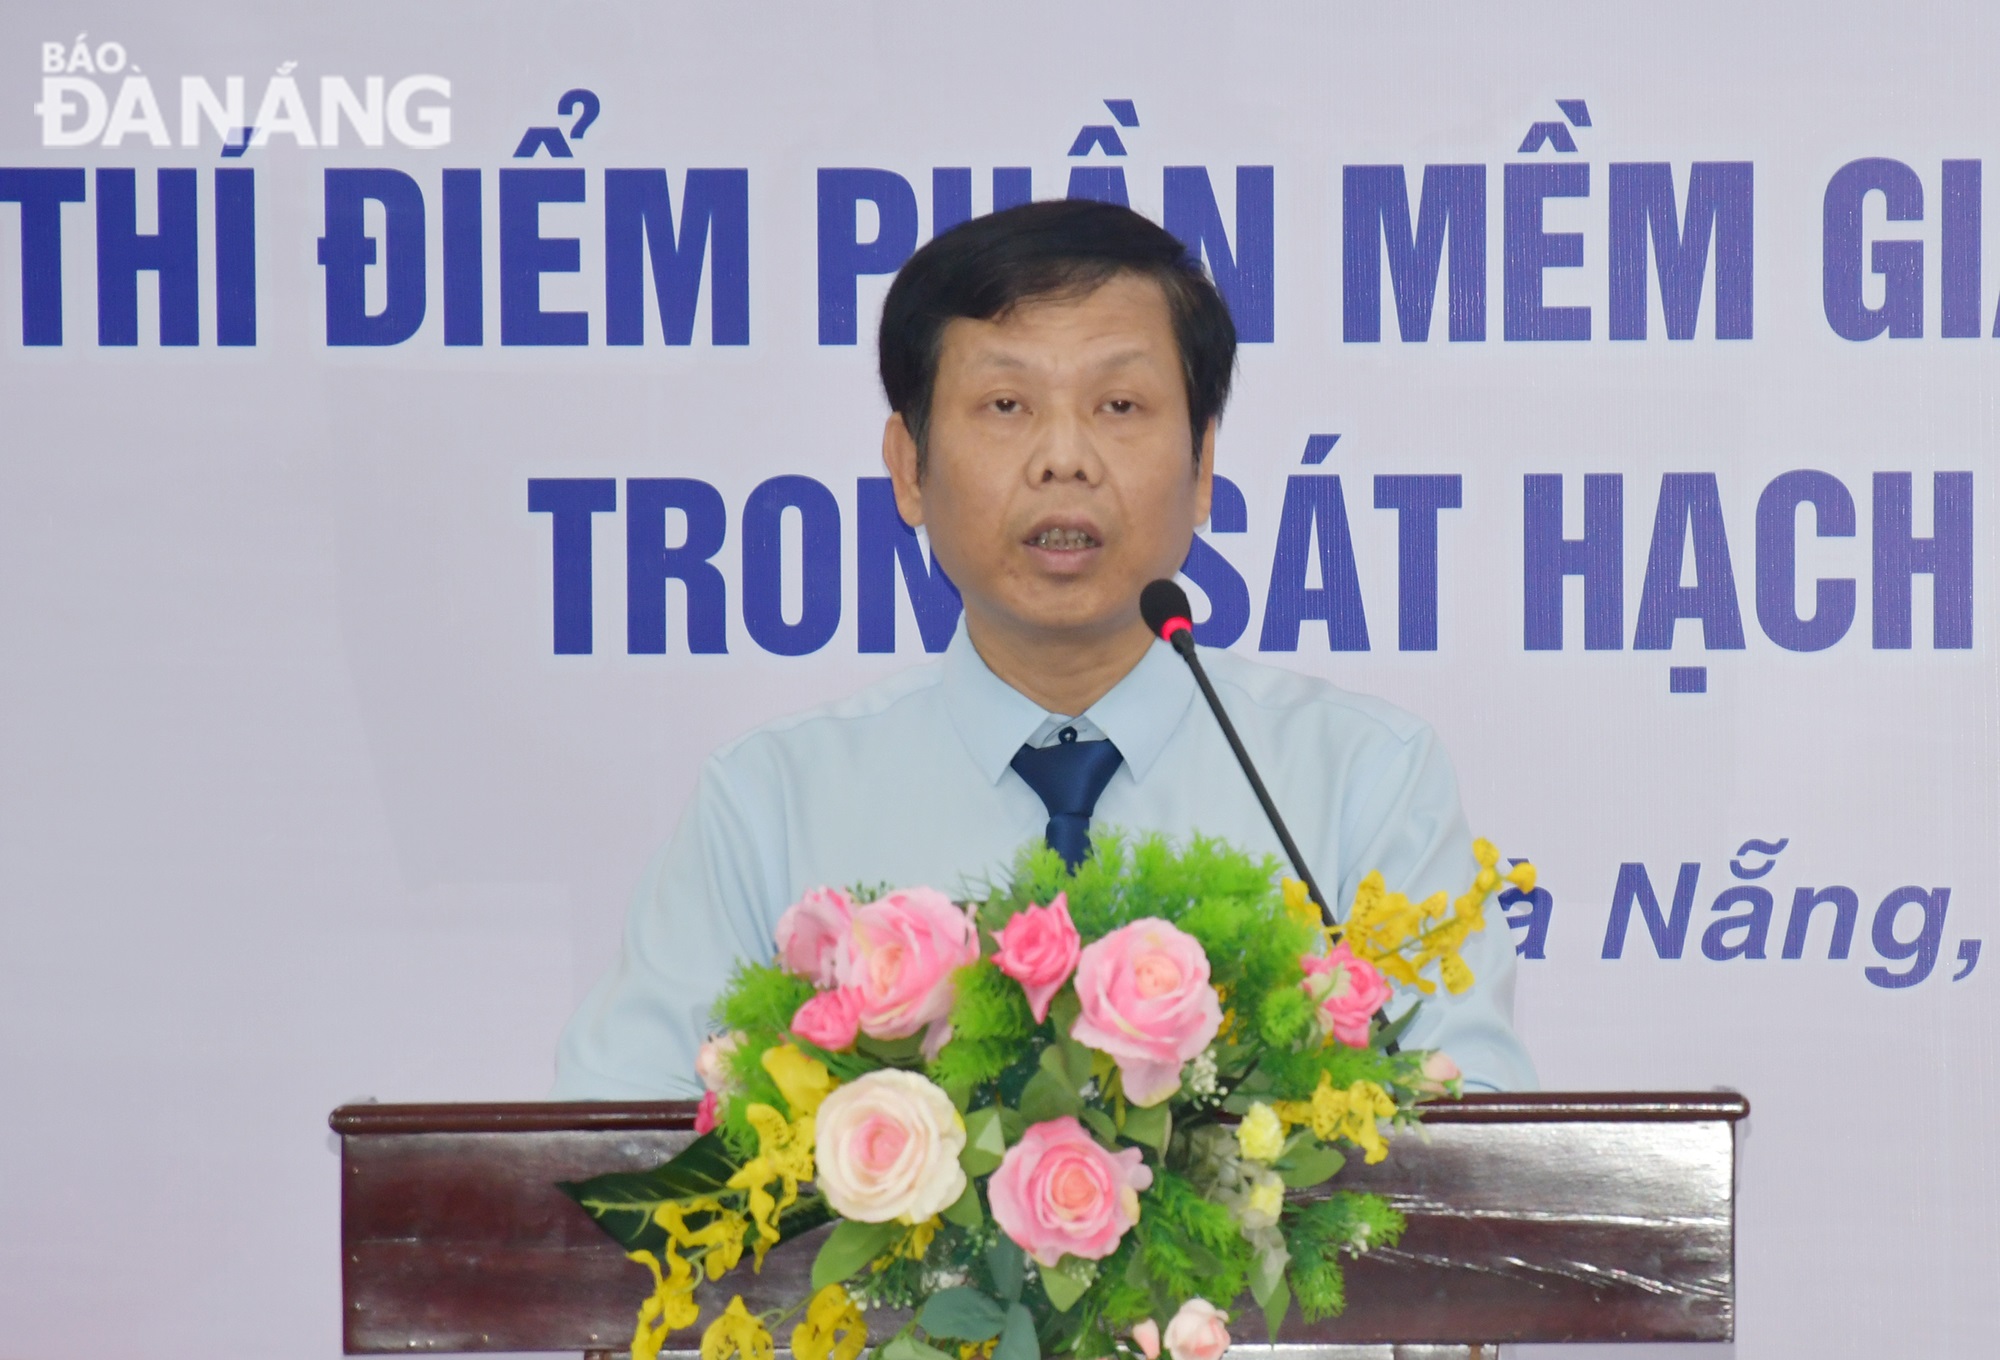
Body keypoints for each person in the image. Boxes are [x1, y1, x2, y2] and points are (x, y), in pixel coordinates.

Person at [553, 199, 1535, 1098]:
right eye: (1005, 406)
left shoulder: (1360, 782)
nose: (1062, 457)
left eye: (1117, 406)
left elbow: (1477, 1130)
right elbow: (605, 1142)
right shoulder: (771, 803)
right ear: (908, 469)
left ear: (1201, 468)